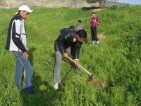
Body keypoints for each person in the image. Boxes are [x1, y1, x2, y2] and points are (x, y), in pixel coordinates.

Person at [5, 5, 34, 94]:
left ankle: (17, 87)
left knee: (19, 68)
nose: (28, 15)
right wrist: (24, 51)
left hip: (18, 49)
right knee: (29, 69)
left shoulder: (19, 19)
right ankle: (28, 91)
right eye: (27, 13)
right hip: (18, 49)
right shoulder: (17, 21)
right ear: (22, 11)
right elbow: (16, 38)